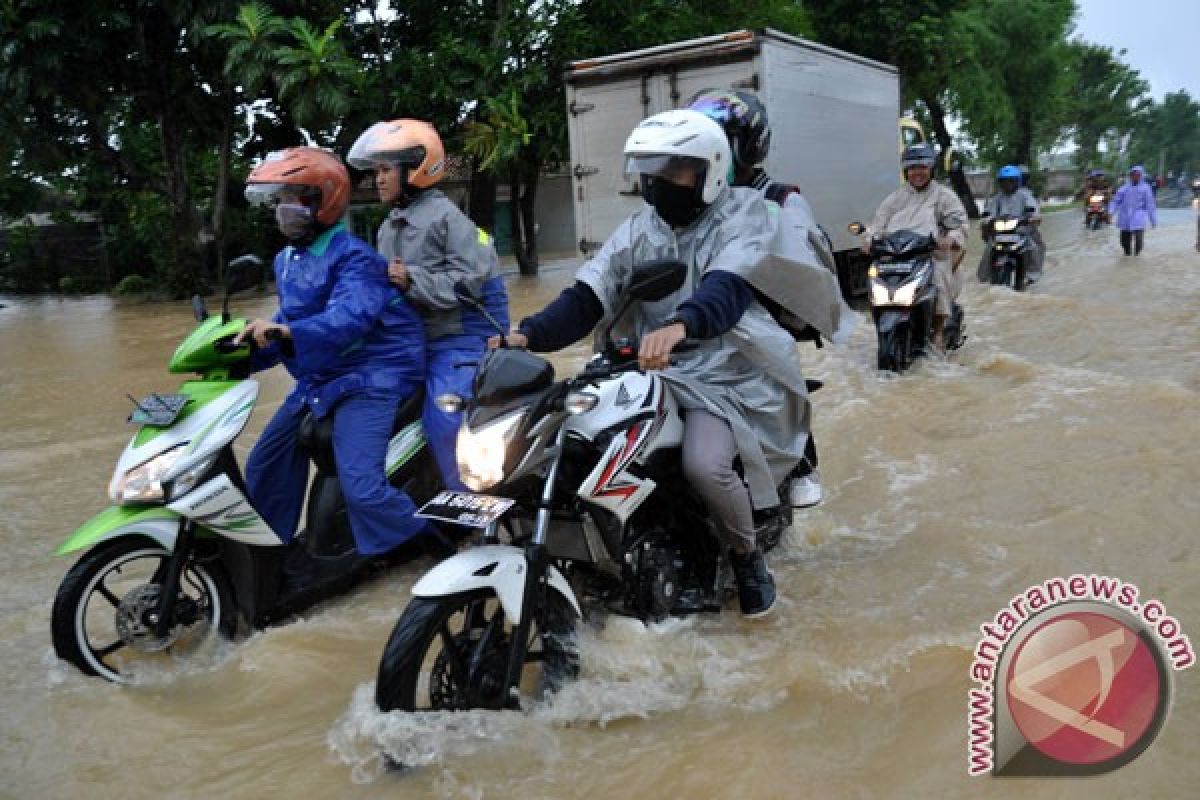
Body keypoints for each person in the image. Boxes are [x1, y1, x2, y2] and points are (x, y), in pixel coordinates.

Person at [496, 109, 814, 618]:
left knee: (704, 465)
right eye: (652, 171)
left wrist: (682, 325)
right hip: (647, 366)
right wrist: (526, 333)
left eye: (674, 171)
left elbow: (726, 289)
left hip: (725, 368)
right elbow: (588, 295)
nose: (658, 183)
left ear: (709, 171)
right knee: (573, 438)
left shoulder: (744, 217)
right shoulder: (638, 230)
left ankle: (747, 557)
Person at [237, 146, 430, 569]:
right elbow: (288, 320)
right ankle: (269, 558)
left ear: (321, 201)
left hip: (371, 377)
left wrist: (287, 333)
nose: (283, 209)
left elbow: (349, 318)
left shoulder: (355, 258)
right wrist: (244, 354)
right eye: (280, 199)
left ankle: (429, 546)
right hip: (321, 378)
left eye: (293, 198)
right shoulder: (287, 260)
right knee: (264, 463)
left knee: (362, 489)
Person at [348, 119, 510, 491]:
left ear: (415, 169)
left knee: (445, 418)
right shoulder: (388, 227)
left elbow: (469, 284)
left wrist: (412, 279)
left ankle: (471, 509)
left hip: (461, 338)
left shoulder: (449, 220)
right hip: (415, 341)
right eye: (376, 171)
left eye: (386, 170)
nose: (379, 180)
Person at [686, 87, 826, 510]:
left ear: (747, 148)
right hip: (699, 320)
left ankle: (800, 461)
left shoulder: (780, 200)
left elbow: (808, 266)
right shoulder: (694, 202)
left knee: (776, 375)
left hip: (761, 318)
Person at [866, 143, 968, 352]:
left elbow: (959, 224)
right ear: (906, 172)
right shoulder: (895, 198)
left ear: (931, 168)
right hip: (896, 257)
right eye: (912, 168)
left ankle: (938, 331)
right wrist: (869, 239)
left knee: (938, 275)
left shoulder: (944, 196)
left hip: (930, 255)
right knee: (874, 276)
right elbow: (878, 224)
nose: (917, 172)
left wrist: (950, 238)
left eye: (922, 167)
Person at [978, 164, 1043, 286]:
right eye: (1004, 182)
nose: (1007, 184)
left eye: (1011, 181)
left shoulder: (1025, 196)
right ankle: (983, 279)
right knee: (988, 250)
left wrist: (1032, 218)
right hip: (1000, 233)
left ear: (1017, 182)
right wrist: (987, 219)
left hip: (1020, 232)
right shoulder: (996, 198)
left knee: (1033, 248)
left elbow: (1034, 211)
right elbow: (988, 213)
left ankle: (1032, 275)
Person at [1109, 165, 1158, 256]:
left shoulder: (1146, 188)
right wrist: (1111, 212)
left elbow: (1150, 205)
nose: (1135, 177)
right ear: (1130, 176)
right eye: (1133, 175)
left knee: (1139, 241)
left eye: (1137, 175)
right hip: (1125, 217)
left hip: (1138, 217)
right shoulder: (1124, 188)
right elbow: (1116, 201)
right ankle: (1127, 256)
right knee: (1124, 241)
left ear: (1141, 176)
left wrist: (1153, 220)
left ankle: (1137, 256)